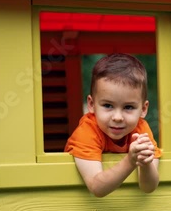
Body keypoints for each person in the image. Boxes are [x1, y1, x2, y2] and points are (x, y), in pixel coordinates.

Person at [64, 53, 161, 197]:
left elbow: (148, 187)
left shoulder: (141, 129)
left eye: (128, 107)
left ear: (143, 109)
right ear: (91, 104)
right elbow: (96, 187)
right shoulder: (86, 132)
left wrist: (145, 163)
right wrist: (130, 161)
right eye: (108, 105)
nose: (117, 117)